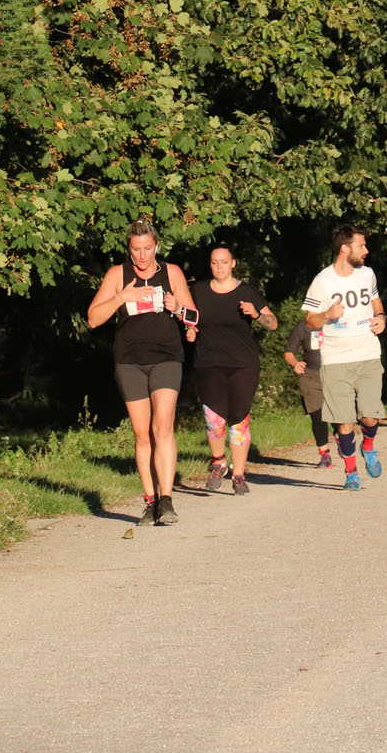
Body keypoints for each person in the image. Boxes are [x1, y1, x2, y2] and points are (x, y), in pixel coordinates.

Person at [87, 220, 194, 525]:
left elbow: (194, 317)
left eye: (148, 248)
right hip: (129, 361)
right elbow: (93, 318)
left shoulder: (172, 273)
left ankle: (167, 500)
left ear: (156, 246)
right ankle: (150, 501)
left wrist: (178, 309)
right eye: (137, 249)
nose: (143, 255)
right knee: (141, 433)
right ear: (129, 249)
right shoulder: (117, 275)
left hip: (166, 357)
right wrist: (121, 298)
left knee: (163, 426)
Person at [301, 224, 387, 490]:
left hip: (368, 354)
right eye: (362, 245)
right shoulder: (323, 281)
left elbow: (376, 301)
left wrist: (381, 317)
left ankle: (368, 446)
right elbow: (310, 321)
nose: (366, 250)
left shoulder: (367, 274)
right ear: (345, 249)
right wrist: (327, 314)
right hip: (336, 359)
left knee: (370, 416)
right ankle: (351, 474)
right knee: (344, 421)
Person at [188, 247, 277, 495]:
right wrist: (190, 329)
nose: (219, 267)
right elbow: (189, 317)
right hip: (209, 362)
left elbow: (272, 323)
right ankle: (218, 462)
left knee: (239, 420)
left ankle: (238, 475)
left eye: (224, 262)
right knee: (213, 419)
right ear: (210, 264)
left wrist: (256, 314)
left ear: (233, 263)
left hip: (242, 364)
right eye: (215, 262)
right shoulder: (199, 291)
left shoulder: (246, 291)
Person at [282, 318, 332, 469]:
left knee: (338, 415)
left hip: (335, 374)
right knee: (317, 415)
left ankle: (342, 438)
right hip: (310, 375)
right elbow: (289, 352)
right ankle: (324, 454)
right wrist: (295, 363)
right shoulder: (303, 326)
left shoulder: (337, 322)